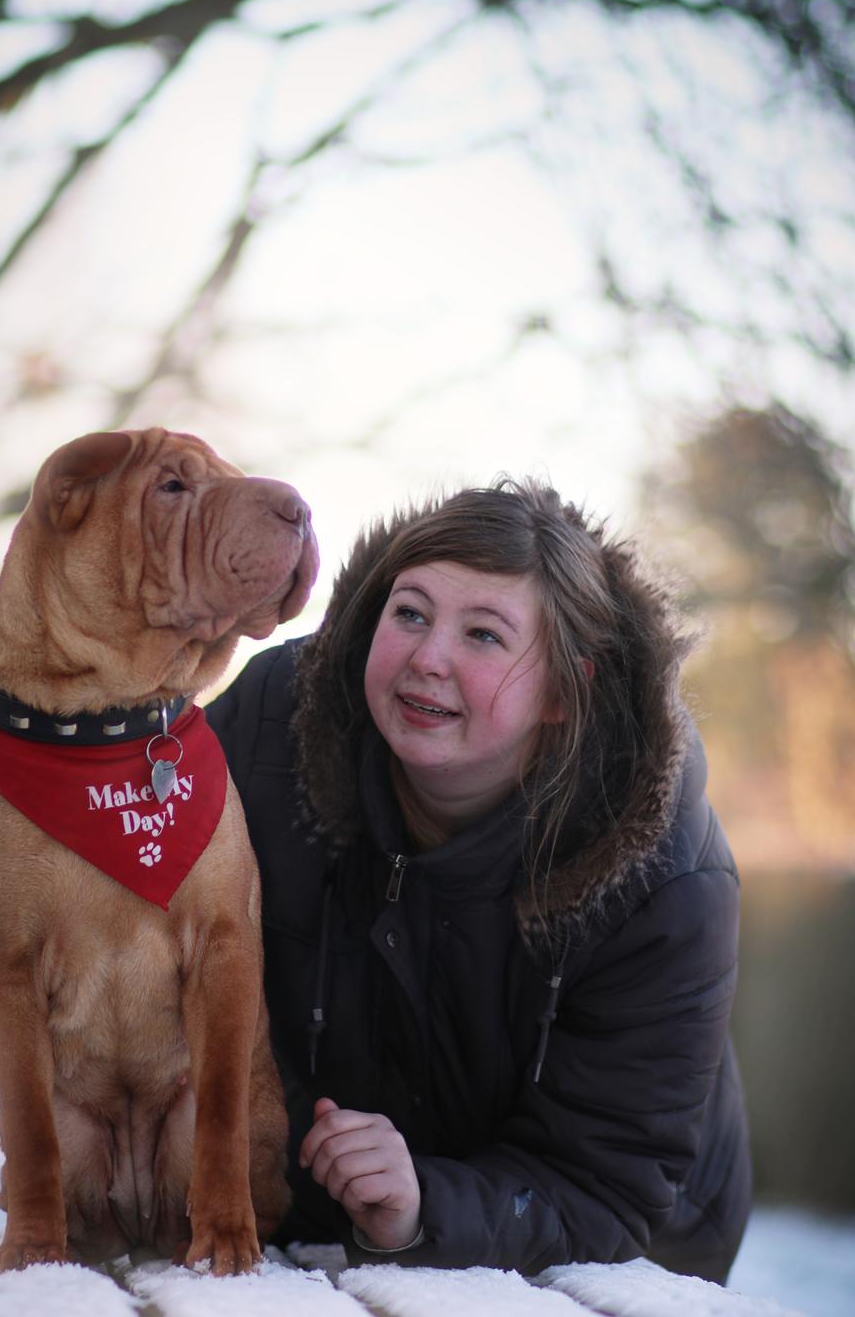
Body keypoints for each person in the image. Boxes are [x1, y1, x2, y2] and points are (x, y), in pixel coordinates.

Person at [206, 479, 752, 1280]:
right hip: (315, 1226)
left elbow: (604, 1183)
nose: (428, 659)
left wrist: (422, 1201)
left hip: (609, 1259)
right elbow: (97, 861)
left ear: (566, 690)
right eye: (411, 614)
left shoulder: (661, 873)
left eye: (484, 636)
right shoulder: (272, 726)